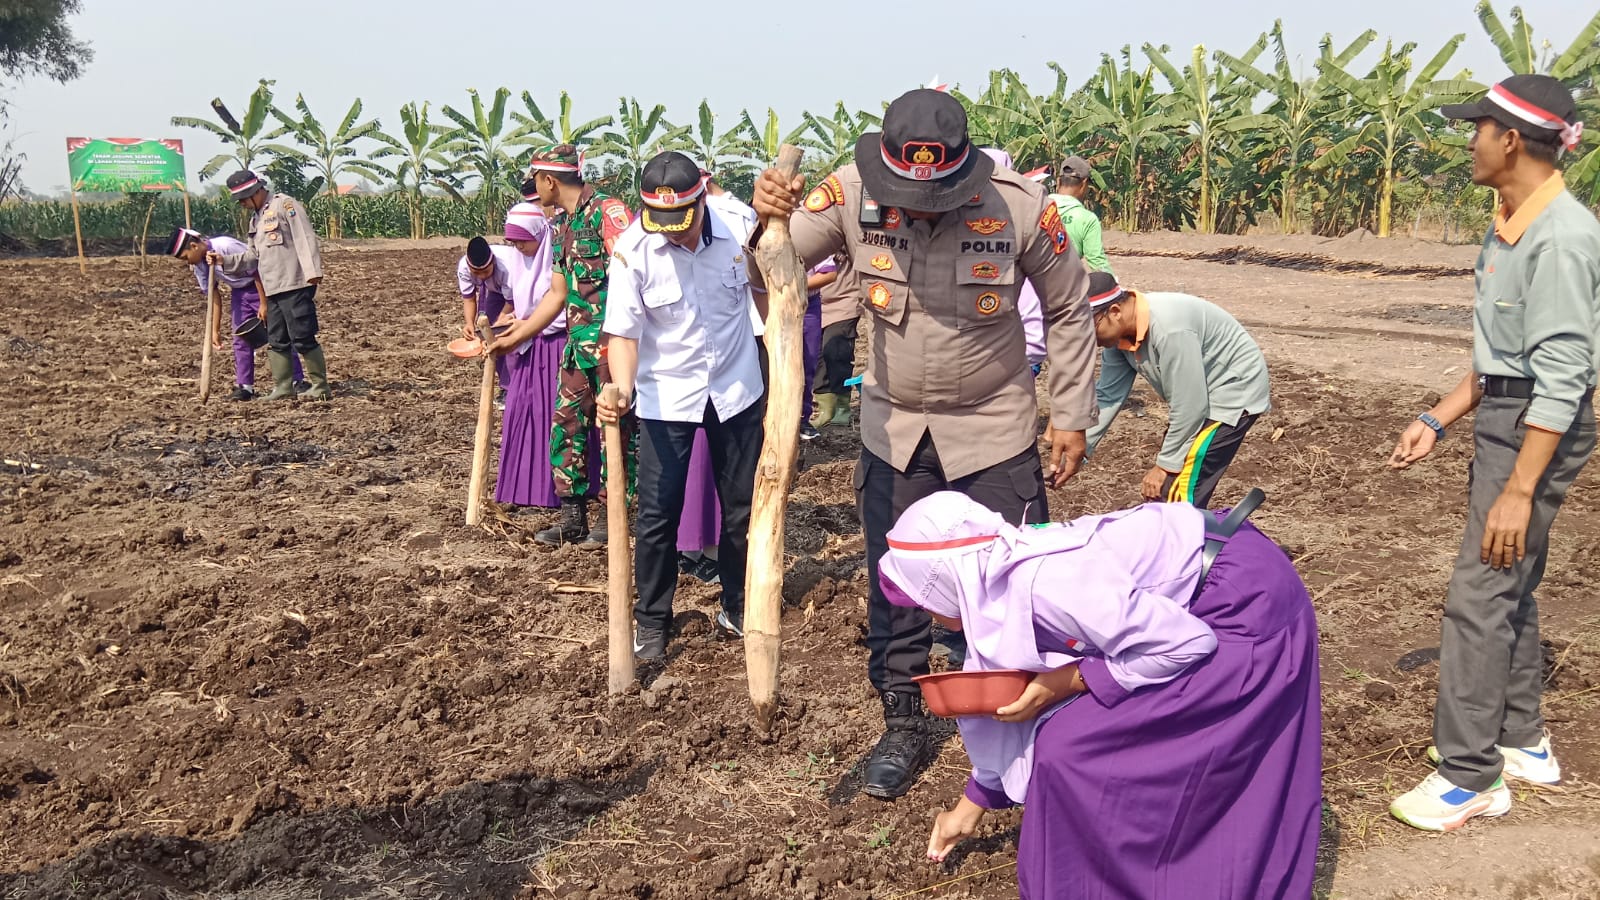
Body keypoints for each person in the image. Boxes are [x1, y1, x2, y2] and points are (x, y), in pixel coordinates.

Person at [749, 89, 1099, 799]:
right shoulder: (847, 193)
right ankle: (904, 720)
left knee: (1011, 581)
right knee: (899, 585)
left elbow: (1068, 304)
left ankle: (1016, 728)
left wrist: (1071, 414)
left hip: (995, 426)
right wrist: (768, 220)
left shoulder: (1020, 205)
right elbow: (771, 273)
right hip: (894, 429)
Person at [882, 491, 1322, 899]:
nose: (930, 615)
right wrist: (973, 804)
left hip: (1241, 607)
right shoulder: (993, 580)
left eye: (924, 601)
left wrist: (1071, 680)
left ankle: (1138, 876)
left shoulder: (1047, 583)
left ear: (947, 578)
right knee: (1070, 740)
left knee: (1071, 751)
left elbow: (1187, 644)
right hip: (1187, 615)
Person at [1388, 75, 1599, 832]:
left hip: (1540, 426)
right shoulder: (1509, 220)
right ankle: (1522, 740)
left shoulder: (1563, 237)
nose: (1467, 141)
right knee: (1511, 580)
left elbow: (1566, 375)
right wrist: (1438, 419)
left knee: (1478, 596)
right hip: (1510, 411)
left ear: (1511, 139)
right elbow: (1501, 355)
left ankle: (1470, 774)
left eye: (1475, 128)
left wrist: (1519, 487)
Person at [599, 151, 766, 661]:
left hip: (736, 388)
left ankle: (739, 605)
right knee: (656, 514)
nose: (676, 233)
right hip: (666, 395)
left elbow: (767, 292)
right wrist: (622, 389)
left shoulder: (741, 227)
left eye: (685, 221)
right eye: (664, 224)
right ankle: (651, 621)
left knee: (741, 508)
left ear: (702, 196)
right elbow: (625, 333)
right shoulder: (633, 250)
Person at [1081, 272, 1271, 508]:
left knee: (1179, 492)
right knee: (1165, 488)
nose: (1089, 341)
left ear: (1115, 313)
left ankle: (1186, 541)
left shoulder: (1170, 328)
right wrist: (1080, 447)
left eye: (1089, 330)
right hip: (1196, 396)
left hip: (1232, 391)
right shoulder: (1118, 337)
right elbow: (1108, 395)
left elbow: (1191, 406)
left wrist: (1164, 466)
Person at [525, 144, 635, 545]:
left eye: (537, 180)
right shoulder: (559, 225)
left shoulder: (609, 212)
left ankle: (611, 519)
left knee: (614, 434)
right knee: (567, 428)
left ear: (549, 180)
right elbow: (557, 294)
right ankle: (572, 518)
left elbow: (631, 273)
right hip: (577, 348)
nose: (536, 189)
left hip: (611, 349)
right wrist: (518, 334)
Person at [480, 204, 573, 510]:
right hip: (527, 350)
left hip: (555, 346)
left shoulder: (557, 261)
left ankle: (551, 494)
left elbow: (558, 307)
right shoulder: (519, 265)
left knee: (550, 419)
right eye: (513, 241)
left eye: (522, 240)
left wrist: (526, 328)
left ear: (538, 236)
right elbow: (522, 307)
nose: (518, 247)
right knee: (520, 413)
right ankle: (519, 491)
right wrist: (514, 327)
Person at [212, 170, 330, 401]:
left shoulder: (284, 205)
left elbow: (304, 237)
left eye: (244, 199)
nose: (243, 204)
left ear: (256, 192)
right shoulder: (256, 220)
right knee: (276, 339)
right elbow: (251, 257)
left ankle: (320, 385)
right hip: (272, 287)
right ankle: (283, 387)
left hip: (294, 283)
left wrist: (313, 272)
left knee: (302, 336)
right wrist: (223, 261)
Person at [169, 227, 305, 400]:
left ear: (194, 246)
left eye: (185, 257)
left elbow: (257, 270)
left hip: (262, 286)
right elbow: (213, 295)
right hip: (239, 292)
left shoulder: (225, 246)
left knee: (278, 333)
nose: (187, 262)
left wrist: (264, 304)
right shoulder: (199, 265)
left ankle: (297, 380)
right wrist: (215, 330)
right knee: (240, 339)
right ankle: (245, 387)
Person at [810, 253, 858, 429]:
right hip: (814, 300)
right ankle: (826, 408)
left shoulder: (845, 230)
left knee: (835, 348)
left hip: (845, 299)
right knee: (817, 354)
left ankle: (842, 405)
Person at [1050, 156, 1111, 274]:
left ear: (1058, 181)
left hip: (1029, 288)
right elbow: (1098, 263)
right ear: (1084, 184)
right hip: (1065, 287)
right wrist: (1116, 288)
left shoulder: (1037, 209)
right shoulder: (1087, 219)